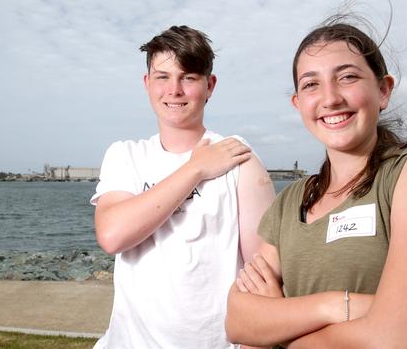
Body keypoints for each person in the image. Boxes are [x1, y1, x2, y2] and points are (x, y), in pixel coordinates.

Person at [225, 17, 407, 348]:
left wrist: (281, 323)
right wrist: (339, 307)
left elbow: (400, 341)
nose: (330, 98)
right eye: (311, 84)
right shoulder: (290, 202)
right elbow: (239, 321)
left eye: (347, 77)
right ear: (298, 103)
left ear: (383, 90)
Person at [91, 25, 275, 348]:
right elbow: (112, 234)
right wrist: (196, 168)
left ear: (209, 85)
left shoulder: (238, 157)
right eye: (162, 77)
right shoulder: (126, 155)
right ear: (147, 84)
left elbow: (264, 274)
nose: (174, 90)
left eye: (188, 77)